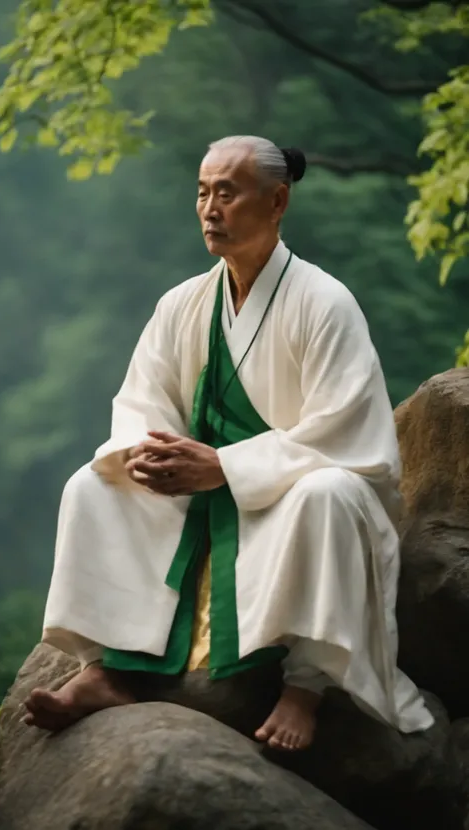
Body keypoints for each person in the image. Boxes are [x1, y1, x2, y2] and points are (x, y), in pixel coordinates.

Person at [24, 135, 433, 751]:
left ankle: (305, 687)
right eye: (202, 192)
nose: (210, 208)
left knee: (331, 493)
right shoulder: (182, 304)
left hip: (283, 501)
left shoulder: (325, 303)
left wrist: (225, 467)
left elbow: (348, 437)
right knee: (94, 484)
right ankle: (111, 666)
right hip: (202, 495)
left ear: (276, 202)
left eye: (227, 193)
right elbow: (142, 401)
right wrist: (148, 452)